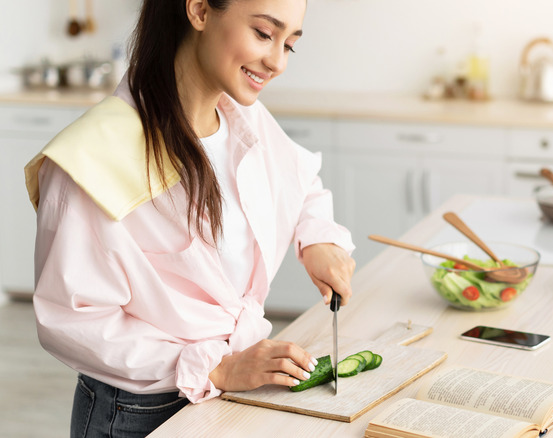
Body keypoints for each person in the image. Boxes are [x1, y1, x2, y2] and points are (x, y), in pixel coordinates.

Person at [23, 0, 355, 436]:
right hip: (137, 412)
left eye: (289, 45)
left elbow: (299, 180)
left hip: (231, 393)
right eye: (262, 33)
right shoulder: (94, 157)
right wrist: (215, 369)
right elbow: (73, 320)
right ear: (199, 10)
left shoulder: (244, 119)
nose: (276, 62)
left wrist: (318, 240)